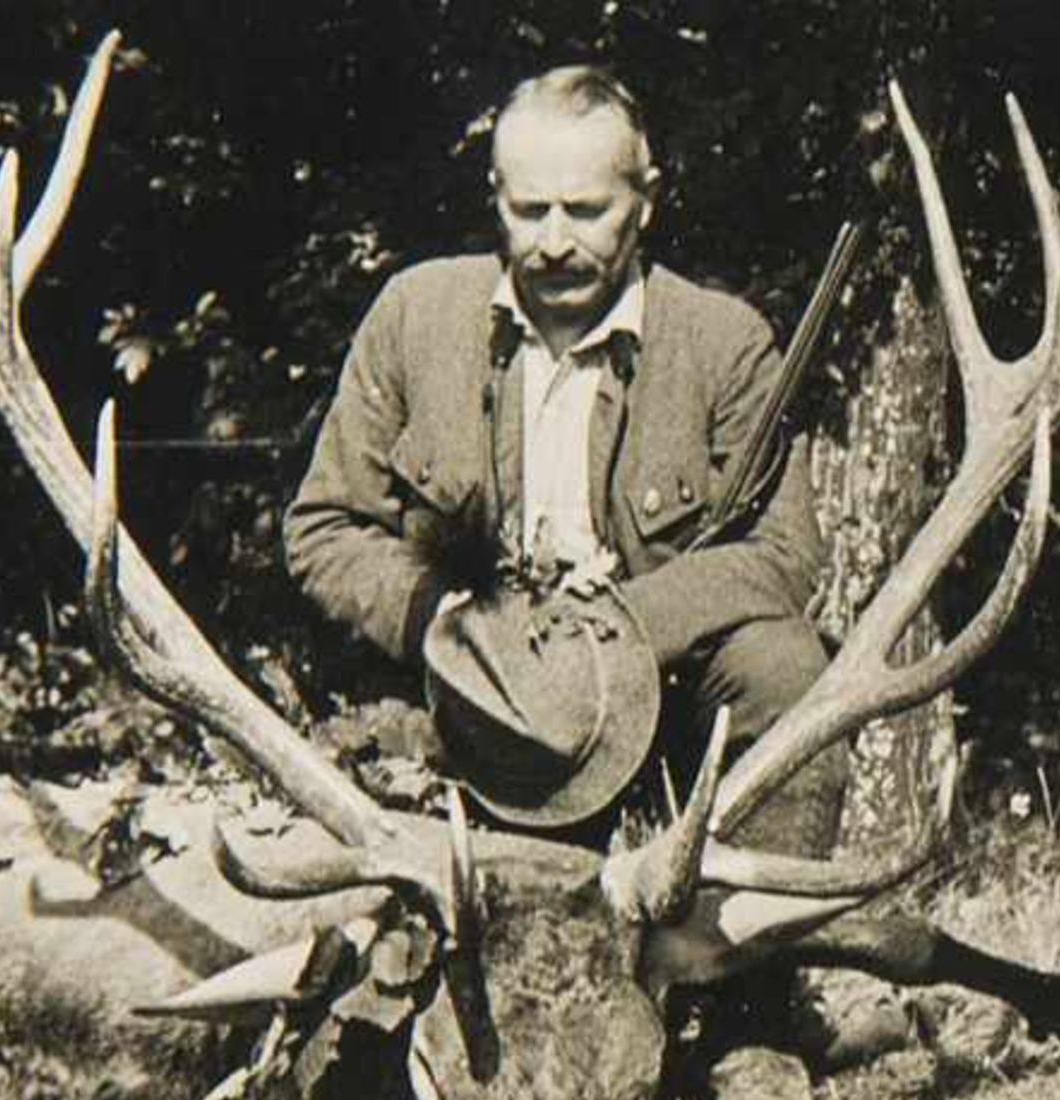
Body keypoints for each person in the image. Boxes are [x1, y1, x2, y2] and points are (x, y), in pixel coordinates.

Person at [284, 64, 845, 857]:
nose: (553, 243)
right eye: (528, 209)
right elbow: (324, 526)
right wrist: (442, 619)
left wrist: (616, 631)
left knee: (785, 668)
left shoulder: (724, 343)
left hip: (662, 701)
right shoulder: (415, 314)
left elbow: (784, 557)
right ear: (495, 197)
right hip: (469, 697)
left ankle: (747, 960)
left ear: (646, 200)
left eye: (587, 211)